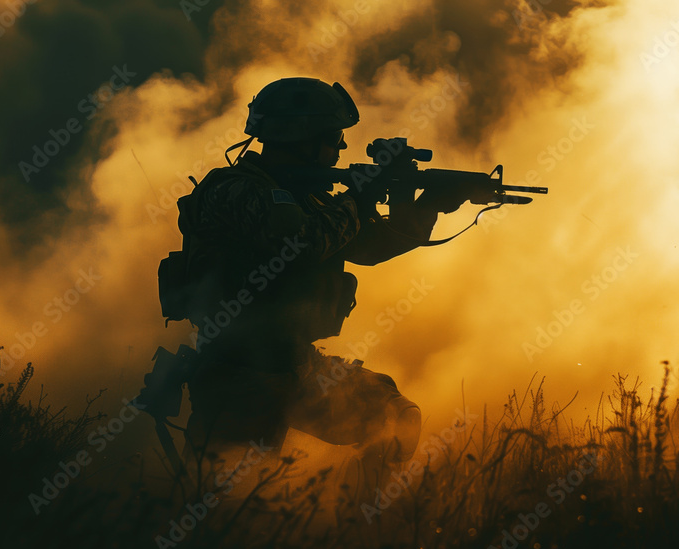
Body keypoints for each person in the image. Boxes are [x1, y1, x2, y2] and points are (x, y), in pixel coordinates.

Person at [168, 77, 470, 499]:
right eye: (333, 138)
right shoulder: (235, 189)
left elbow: (368, 246)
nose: (341, 149)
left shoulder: (309, 198)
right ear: (299, 136)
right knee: (227, 505)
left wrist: (421, 204)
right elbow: (302, 245)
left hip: (297, 365)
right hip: (240, 375)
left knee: (392, 416)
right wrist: (359, 199)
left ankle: (354, 525)